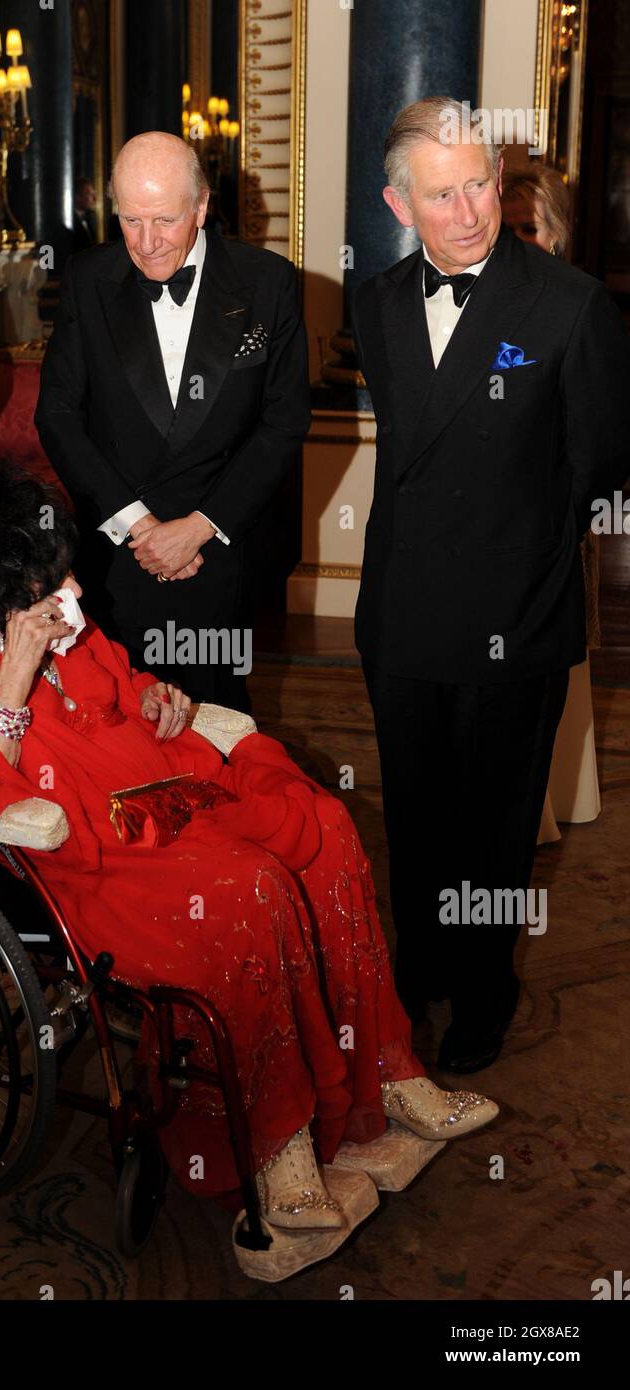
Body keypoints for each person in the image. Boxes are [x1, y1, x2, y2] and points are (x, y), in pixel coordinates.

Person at [0, 455, 498, 1238]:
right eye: (48, 586)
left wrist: (156, 697)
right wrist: (17, 672)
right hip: (81, 856)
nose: (72, 595)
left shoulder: (62, 613)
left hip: (159, 792)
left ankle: (389, 1072)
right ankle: (276, 1147)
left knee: (328, 833)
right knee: (251, 885)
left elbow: (121, 681)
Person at [351, 98, 630, 1073]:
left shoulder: (570, 304)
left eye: (482, 184)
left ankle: (484, 986)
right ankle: (420, 963)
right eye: (442, 194)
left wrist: (526, 552)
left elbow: (598, 468)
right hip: (402, 612)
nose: (468, 212)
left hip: (515, 615)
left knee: (497, 827)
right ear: (399, 202)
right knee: (416, 813)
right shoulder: (377, 303)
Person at [35, 131, 311, 713]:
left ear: (202, 207)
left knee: (217, 725)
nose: (147, 242)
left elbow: (283, 422)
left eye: (163, 220)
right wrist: (140, 526)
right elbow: (58, 415)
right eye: (130, 220)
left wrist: (200, 526)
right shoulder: (88, 280)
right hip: (118, 553)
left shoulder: (268, 282)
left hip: (220, 553)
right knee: (118, 719)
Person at [500, 166, 602, 842]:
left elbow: (599, 444)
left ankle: (547, 803)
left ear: (558, 233)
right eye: (507, 230)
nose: (517, 241)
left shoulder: (578, 310)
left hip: (548, 533)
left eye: (529, 229)